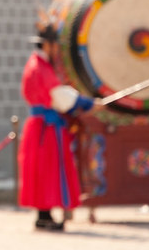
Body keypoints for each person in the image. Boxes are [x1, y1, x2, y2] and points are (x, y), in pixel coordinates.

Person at [17, 21, 102, 231]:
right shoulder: (40, 67)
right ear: (47, 45)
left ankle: (44, 215)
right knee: (47, 171)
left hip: (42, 126)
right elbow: (60, 97)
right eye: (54, 45)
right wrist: (87, 102)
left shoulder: (38, 64)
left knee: (43, 171)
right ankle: (44, 214)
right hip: (46, 128)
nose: (56, 50)